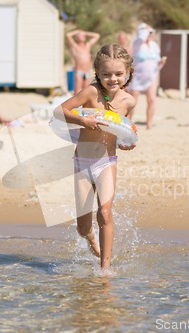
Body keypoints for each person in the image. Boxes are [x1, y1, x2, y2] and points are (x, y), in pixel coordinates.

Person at [55, 44, 136, 274]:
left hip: (107, 162)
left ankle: (105, 269)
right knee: (83, 227)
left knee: (105, 212)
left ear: (127, 72)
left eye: (119, 74)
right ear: (97, 72)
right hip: (82, 164)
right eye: (106, 74)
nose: (112, 79)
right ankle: (91, 239)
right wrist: (84, 122)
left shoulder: (129, 101)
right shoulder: (91, 92)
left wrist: (127, 142)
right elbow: (59, 111)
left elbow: (124, 128)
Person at [126, 23, 167, 129]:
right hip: (137, 77)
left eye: (151, 32)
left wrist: (161, 63)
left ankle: (149, 124)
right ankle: (129, 124)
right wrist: (145, 29)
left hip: (151, 76)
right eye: (147, 32)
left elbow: (156, 60)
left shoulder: (154, 45)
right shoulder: (137, 43)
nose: (150, 34)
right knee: (133, 102)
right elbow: (141, 38)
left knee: (152, 100)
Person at [66, 29, 100, 94]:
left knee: (86, 92)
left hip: (87, 72)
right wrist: (76, 32)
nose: (83, 36)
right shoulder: (75, 46)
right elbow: (68, 35)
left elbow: (97, 36)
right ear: (76, 38)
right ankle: (77, 104)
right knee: (77, 92)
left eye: (83, 36)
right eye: (80, 35)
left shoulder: (87, 45)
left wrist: (84, 33)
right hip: (79, 72)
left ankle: (85, 104)